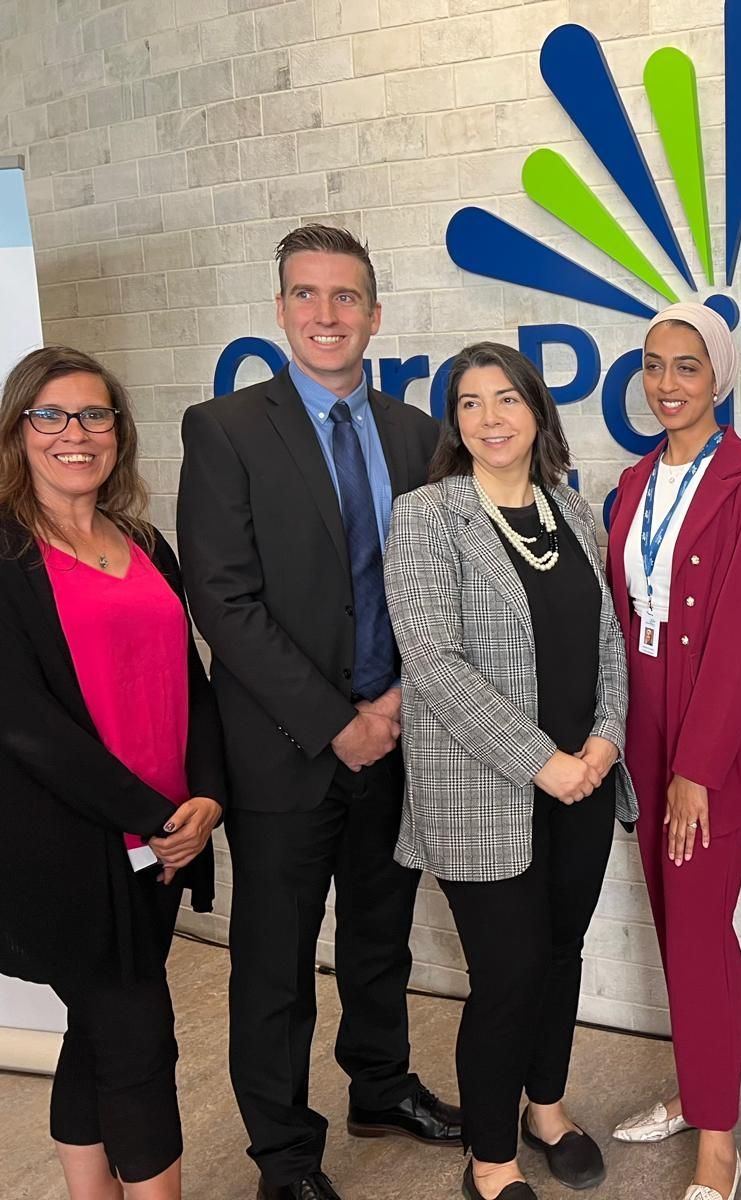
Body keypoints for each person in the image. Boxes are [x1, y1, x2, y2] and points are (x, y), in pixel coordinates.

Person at [177, 225, 459, 1200]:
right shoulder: (224, 431)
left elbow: (440, 589)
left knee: (381, 938)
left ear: (375, 315)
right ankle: (284, 1160)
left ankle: (379, 1088)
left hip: (396, 742)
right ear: (281, 309)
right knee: (275, 967)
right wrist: (339, 721)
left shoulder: (419, 435)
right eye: (307, 295)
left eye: (345, 298)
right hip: (286, 753)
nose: (326, 315)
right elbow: (224, 602)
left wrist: (391, 708)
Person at [383, 342, 636, 1200]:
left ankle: (548, 1109)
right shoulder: (425, 515)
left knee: (560, 953)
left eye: (506, 399)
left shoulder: (575, 510)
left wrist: (605, 738)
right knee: (507, 974)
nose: (490, 419)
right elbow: (435, 664)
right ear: (454, 423)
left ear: (537, 412)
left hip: (586, 783)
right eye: (469, 404)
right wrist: (543, 763)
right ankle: (490, 1158)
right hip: (484, 789)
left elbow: (607, 640)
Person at [0, 346, 226, 1199]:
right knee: (137, 1037)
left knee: (99, 1032)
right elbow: (24, 724)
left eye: (95, 415)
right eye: (49, 415)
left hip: (161, 839)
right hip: (66, 846)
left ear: (119, 434)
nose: (75, 434)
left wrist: (206, 796)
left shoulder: (143, 542)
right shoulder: (5, 553)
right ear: (18, 431)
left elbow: (192, 681)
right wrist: (159, 817)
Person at [604, 303, 741, 1200]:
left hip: (703, 738)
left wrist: (696, 770)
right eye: (653, 365)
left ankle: (720, 1139)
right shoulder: (635, 482)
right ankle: (695, 1088)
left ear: (719, 376)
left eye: (687, 366)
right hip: (642, 727)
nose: (667, 384)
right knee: (673, 928)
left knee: (701, 936)